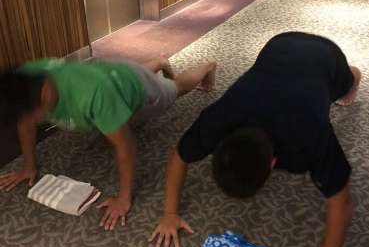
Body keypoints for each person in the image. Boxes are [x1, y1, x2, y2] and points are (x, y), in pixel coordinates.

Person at [149, 32, 362, 247]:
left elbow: (341, 201)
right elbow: (179, 155)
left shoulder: (310, 135)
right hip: (279, 46)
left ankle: (353, 77)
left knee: (345, 85)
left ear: (274, 164)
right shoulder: (218, 118)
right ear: (219, 143)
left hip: (327, 58)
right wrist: (169, 213)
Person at [0, 56, 216, 230]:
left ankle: (207, 67)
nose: (32, 120)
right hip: (110, 72)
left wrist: (123, 198)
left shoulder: (92, 93)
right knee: (122, 91)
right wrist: (28, 166)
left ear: (44, 93)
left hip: (131, 83)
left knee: (175, 89)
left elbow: (126, 146)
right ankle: (158, 62)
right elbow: (25, 122)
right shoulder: (25, 78)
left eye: (33, 114)